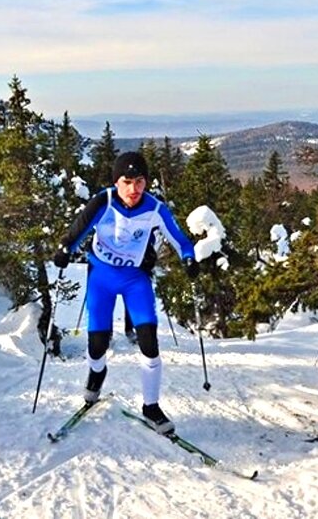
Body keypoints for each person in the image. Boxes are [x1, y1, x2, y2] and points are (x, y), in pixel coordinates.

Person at [52, 151, 200, 434]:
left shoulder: (155, 209)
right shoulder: (104, 201)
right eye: (127, 181)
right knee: (97, 342)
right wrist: (65, 249)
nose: (134, 189)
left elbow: (180, 240)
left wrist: (189, 259)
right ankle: (97, 372)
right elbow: (79, 229)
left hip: (134, 279)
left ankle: (151, 406)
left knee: (148, 341)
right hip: (102, 278)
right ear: (116, 182)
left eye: (140, 181)